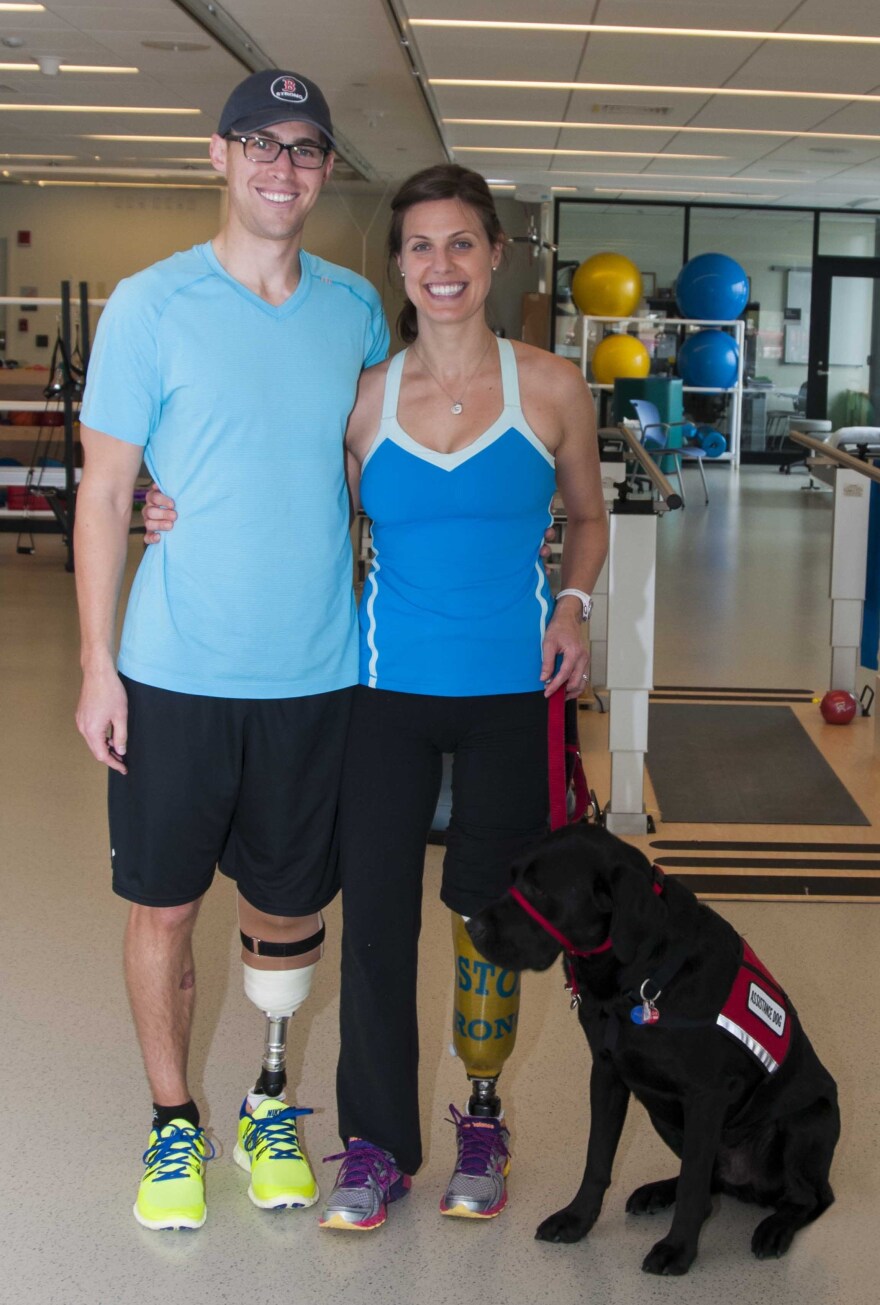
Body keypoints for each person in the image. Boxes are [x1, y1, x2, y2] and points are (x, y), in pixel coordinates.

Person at [143, 165, 608, 1231]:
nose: (440, 266)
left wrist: (573, 605)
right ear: (396, 267)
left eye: (460, 245)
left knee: (489, 919)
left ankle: (481, 1118)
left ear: (496, 255)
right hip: (383, 694)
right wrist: (166, 502)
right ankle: (376, 1147)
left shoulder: (549, 386)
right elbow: (273, 491)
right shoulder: (364, 401)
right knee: (379, 926)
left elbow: (586, 519)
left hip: (511, 696)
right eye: (419, 247)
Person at [74, 68, 388, 1232]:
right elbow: (106, 495)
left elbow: (370, 473)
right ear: (218, 156)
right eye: (259, 142)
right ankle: (171, 1122)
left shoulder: (355, 308)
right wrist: (99, 667)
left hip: (315, 672)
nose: (281, 165)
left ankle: (266, 1102)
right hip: (173, 671)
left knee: (288, 905)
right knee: (162, 906)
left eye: (305, 147)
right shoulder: (149, 305)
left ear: (324, 172)